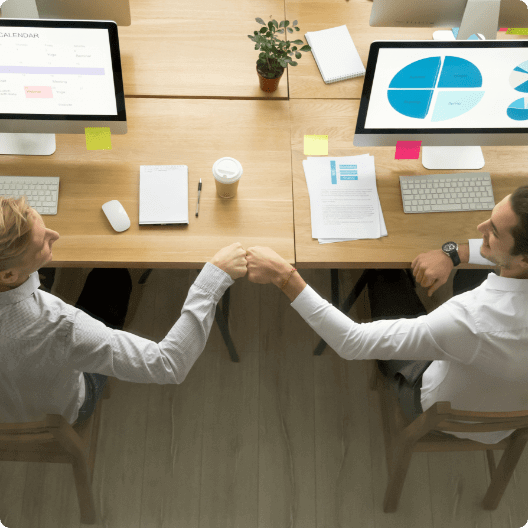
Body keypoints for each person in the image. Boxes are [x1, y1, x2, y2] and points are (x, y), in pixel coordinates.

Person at [246, 185, 528, 444]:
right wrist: (454, 254)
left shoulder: (471, 319)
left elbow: (352, 342)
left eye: (493, 232)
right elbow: (504, 261)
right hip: (511, 419)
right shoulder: (482, 311)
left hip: (438, 409)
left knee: (384, 273)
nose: (480, 227)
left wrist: (284, 276)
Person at [0, 196, 247, 427]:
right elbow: (169, 364)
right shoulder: (60, 326)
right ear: (9, 275)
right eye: (43, 243)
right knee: (114, 279)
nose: (55, 235)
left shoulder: (46, 316)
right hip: (59, 410)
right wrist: (214, 278)